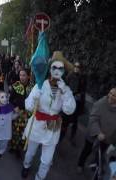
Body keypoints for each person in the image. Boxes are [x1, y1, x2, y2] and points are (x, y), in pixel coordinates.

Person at [21, 52, 76, 180]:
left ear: (63, 71)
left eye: (60, 68)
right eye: (54, 68)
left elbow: (69, 110)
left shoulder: (65, 89)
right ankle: (26, 165)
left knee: (46, 160)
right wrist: (36, 95)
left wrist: (65, 93)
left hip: (53, 128)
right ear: (50, 69)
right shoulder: (40, 85)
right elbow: (28, 106)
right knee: (30, 152)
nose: (57, 71)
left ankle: (39, 177)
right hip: (37, 125)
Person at [77, 87, 116, 172]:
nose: (110, 96)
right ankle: (80, 164)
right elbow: (93, 118)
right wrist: (98, 132)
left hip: (107, 138)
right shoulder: (101, 103)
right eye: (110, 93)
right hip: (94, 133)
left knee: (100, 154)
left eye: (114, 95)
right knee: (87, 149)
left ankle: (94, 166)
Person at [60, 61, 87, 144]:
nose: (76, 68)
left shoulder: (83, 78)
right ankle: (61, 136)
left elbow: (83, 91)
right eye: (75, 66)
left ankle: (72, 137)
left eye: (78, 67)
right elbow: (65, 85)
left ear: (80, 69)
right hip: (68, 100)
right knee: (65, 120)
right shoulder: (70, 75)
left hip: (77, 102)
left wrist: (78, 96)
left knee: (75, 121)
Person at [9, 69, 34, 157]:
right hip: (18, 112)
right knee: (16, 130)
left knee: (24, 132)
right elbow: (11, 99)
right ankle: (13, 146)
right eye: (20, 75)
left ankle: (19, 148)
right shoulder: (16, 85)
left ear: (28, 76)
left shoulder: (32, 87)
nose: (22, 77)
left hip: (28, 113)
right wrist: (14, 107)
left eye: (24, 75)